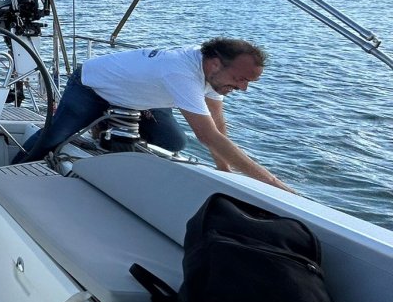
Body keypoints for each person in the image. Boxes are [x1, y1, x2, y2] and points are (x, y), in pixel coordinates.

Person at [15, 37, 294, 192]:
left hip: (140, 95)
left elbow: (218, 127)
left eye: (248, 82)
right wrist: (272, 183)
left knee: (172, 142)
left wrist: (225, 170)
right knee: (55, 135)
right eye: (240, 79)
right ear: (214, 64)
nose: (243, 88)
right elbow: (207, 135)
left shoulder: (217, 76)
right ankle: (10, 172)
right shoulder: (182, 72)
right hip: (94, 85)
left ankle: (111, 135)